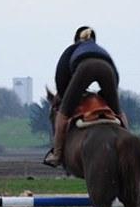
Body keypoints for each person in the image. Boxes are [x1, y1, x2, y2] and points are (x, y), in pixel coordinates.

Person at [43, 26, 123, 167]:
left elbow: (60, 76)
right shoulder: (101, 50)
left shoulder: (72, 49)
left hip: (84, 68)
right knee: (119, 113)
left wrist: (64, 98)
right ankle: (124, 139)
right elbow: (115, 77)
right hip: (107, 70)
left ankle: (56, 154)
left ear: (76, 39)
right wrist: (104, 97)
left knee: (62, 114)